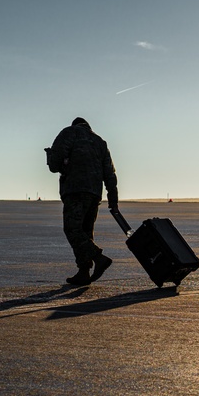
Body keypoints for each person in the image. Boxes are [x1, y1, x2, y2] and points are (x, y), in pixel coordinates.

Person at [45, 117, 118, 286]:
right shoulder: (100, 142)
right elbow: (110, 173)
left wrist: (51, 157)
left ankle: (98, 258)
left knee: (72, 229)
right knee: (85, 232)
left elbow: (55, 164)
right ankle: (84, 271)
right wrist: (113, 199)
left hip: (75, 189)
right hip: (94, 193)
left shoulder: (69, 133)